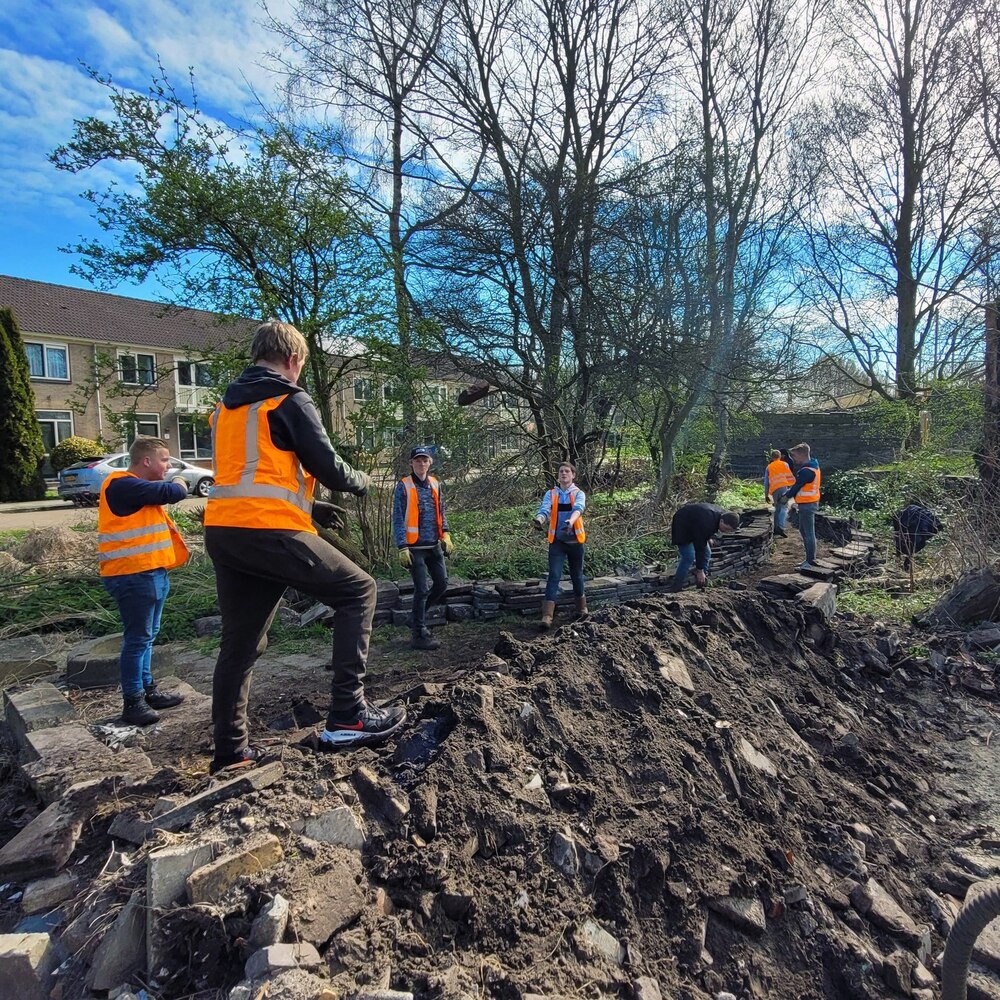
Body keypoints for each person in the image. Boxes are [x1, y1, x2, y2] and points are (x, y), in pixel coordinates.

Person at [204, 321, 406, 773]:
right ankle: (348, 715)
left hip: (224, 532)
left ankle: (230, 754)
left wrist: (310, 506)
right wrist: (361, 481)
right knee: (359, 590)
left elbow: (251, 474)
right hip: (269, 531)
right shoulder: (289, 398)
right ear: (294, 361)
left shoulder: (224, 408)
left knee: (239, 645)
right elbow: (331, 467)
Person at [98, 437, 190, 726]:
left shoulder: (137, 489)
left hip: (150, 572)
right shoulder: (122, 484)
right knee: (138, 639)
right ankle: (133, 702)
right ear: (146, 461)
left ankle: (148, 690)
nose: (169, 466)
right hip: (133, 574)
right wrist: (181, 482)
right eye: (164, 460)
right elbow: (173, 492)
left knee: (147, 636)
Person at [392, 446, 454, 651]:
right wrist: (402, 546)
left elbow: (441, 510)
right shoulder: (404, 486)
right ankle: (419, 633)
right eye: (417, 460)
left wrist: (446, 534)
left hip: (433, 544)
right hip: (414, 547)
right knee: (422, 589)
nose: (421, 463)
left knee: (442, 584)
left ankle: (415, 617)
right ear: (411, 463)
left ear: (430, 462)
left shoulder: (435, 484)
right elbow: (398, 518)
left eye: (424, 460)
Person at [532, 462, 587, 629]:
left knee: (576, 574)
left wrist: (571, 520)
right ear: (558, 475)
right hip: (557, 542)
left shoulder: (579, 493)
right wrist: (539, 520)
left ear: (573, 475)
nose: (564, 474)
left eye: (567, 471)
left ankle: (582, 608)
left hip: (575, 542)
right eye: (561, 471)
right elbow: (545, 510)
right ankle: (547, 616)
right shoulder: (551, 494)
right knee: (554, 575)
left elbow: (579, 509)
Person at [669, 502, 740, 592]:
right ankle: (677, 586)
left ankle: (702, 582)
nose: (726, 532)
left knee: (708, 552)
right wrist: (699, 570)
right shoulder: (707, 522)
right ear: (722, 521)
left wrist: (708, 536)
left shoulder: (722, 515)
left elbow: (704, 531)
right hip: (682, 525)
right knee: (689, 557)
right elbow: (700, 547)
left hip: (696, 525)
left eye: (729, 530)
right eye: (726, 529)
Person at [777, 442, 821, 570]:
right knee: (804, 531)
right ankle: (808, 559)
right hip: (807, 503)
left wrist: (786, 497)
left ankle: (811, 561)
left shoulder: (807, 471)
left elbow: (796, 487)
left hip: (808, 504)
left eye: (795, 456)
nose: (793, 460)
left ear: (802, 455)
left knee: (808, 532)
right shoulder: (812, 467)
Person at [892, 502, 942, 571]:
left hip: (915, 523)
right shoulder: (907, 516)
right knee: (912, 543)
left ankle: (906, 563)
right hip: (911, 522)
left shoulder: (926, 522)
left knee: (914, 543)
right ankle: (904, 561)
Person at [764, 449, 796, 537]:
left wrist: (766, 495)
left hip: (774, 489)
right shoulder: (785, 464)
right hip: (783, 488)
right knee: (783, 508)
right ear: (780, 456)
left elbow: (766, 482)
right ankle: (780, 528)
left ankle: (776, 527)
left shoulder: (769, 467)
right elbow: (789, 476)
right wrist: (791, 487)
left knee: (777, 508)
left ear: (772, 457)